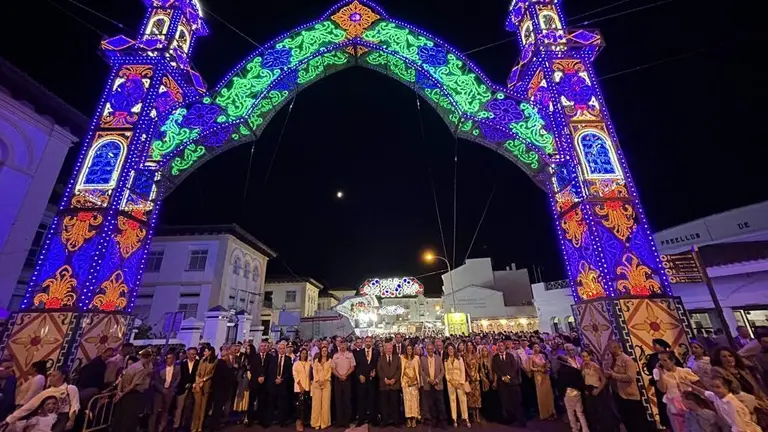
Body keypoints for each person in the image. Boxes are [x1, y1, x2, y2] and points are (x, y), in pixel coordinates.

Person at [4, 369, 79, 432]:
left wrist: (71, 420)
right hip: (49, 418)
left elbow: (75, 405)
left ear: (63, 376)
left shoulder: (70, 388)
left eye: (54, 376)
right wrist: (9, 419)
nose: (50, 378)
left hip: (63, 416)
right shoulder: (46, 392)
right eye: (50, 376)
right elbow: (29, 406)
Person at [605, 340, 651, 432]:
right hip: (618, 394)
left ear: (615, 347)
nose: (608, 349)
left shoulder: (627, 360)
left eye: (609, 347)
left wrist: (613, 375)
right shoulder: (611, 359)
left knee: (636, 421)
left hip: (629, 395)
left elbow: (631, 377)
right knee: (626, 420)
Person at [654, 351, 703, 432]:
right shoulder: (662, 375)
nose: (662, 363)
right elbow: (662, 389)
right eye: (660, 360)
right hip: (674, 407)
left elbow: (699, 385)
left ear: (672, 360)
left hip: (689, 403)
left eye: (665, 360)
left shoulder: (684, 371)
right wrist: (659, 372)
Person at [697, 375, 761, 432]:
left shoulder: (732, 405)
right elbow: (706, 393)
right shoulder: (718, 397)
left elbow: (739, 428)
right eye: (712, 387)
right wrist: (689, 385)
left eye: (718, 387)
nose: (714, 390)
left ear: (726, 388)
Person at [646, 338, 684, 429]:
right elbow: (649, 369)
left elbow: (679, 368)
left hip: (672, 385)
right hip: (660, 385)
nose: (654, 347)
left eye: (655, 345)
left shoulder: (671, 355)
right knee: (664, 406)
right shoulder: (652, 357)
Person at [580, 349, 620, 432]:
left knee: (601, 412)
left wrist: (598, 390)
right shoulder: (583, 365)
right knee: (591, 412)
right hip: (589, 390)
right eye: (583, 356)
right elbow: (584, 378)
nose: (585, 358)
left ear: (590, 356)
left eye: (586, 356)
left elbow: (604, 380)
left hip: (597, 389)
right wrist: (586, 389)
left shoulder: (595, 366)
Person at [112, 349, 151, 432]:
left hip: (125, 395)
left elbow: (121, 380)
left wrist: (119, 393)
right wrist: (121, 394)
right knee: (128, 421)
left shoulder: (133, 366)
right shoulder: (140, 368)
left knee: (120, 419)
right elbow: (133, 385)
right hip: (132, 396)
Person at [492, 339, 526, 427]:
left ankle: (521, 421)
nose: (500, 347)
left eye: (502, 346)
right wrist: (503, 377)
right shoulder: (495, 358)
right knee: (505, 402)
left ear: (504, 347)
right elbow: (495, 369)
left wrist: (508, 377)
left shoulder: (510, 356)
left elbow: (514, 367)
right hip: (502, 383)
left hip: (513, 382)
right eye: (499, 346)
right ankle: (510, 420)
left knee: (517, 402)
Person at [556, 355, 589, 432]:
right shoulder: (575, 370)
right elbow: (581, 382)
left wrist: (562, 394)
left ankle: (575, 429)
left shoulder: (560, 371)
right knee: (580, 412)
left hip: (568, 393)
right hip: (577, 392)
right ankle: (585, 429)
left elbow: (560, 385)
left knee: (571, 413)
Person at [148, 351, 179, 432]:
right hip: (159, 392)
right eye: (168, 358)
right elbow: (155, 381)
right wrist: (162, 389)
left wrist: (172, 389)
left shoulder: (177, 368)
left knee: (165, 411)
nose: (169, 360)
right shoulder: (159, 369)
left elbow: (178, 379)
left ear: (174, 359)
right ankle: (151, 429)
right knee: (154, 412)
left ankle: (161, 428)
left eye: (171, 358)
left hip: (170, 392)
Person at [352, 335, 378, 426]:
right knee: (361, 400)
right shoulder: (359, 353)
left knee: (372, 400)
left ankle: (373, 419)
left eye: (369, 341)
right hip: (362, 381)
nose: (368, 343)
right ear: (364, 342)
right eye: (366, 341)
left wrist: (376, 372)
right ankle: (361, 420)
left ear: (372, 342)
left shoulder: (376, 352)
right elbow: (356, 367)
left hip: (372, 380)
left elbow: (378, 365)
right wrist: (359, 375)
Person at [420, 343, 446, 427]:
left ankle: (442, 421)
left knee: (440, 403)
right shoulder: (423, 359)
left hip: (437, 384)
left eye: (431, 349)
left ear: (434, 349)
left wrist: (437, 380)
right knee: (431, 404)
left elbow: (442, 371)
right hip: (428, 385)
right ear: (426, 350)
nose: (430, 351)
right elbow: (421, 371)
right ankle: (434, 420)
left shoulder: (438, 358)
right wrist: (428, 380)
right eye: (428, 349)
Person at [445, 343, 470, 428]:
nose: (450, 351)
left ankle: (466, 418)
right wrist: (451, 381)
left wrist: (460, 382)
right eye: (449, 350)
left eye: (451, 349)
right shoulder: (446, 360)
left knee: (463, 400)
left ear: (454, 350)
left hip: (460, 382)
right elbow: (446, 373)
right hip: (451, 383)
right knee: (452, 401)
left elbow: (463, 371)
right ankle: (454, 419)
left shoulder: (459, 359)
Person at [191, 346, 216, 432]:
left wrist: (204, 379)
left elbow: (212, 374)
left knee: (203, 407)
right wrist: (197, 380)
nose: (204, 353)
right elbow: (197, 372)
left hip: (206, 386)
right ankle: (194, 426)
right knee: (196, 407)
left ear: (210, 352)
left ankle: (200, 426)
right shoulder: (202, 360)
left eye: (206, 351)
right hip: (199, 385)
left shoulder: (214, 362)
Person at [330, 340, 355, 428]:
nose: (342, 346)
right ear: (339, 346)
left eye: (344, 345)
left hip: (347, 379)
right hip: (338, 380)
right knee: (338, 401)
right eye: (341, 345)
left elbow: (352, 367)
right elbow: (333, 369)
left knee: (347, 401)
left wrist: (345, 375)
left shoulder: (350, 355)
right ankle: (339, 421)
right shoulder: (335, 355)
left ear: (346, 346)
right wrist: (340, 376)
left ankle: (346, 422)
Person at [268, 341, 293, 427]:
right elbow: (271, 371)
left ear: (285, 349)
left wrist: (282, 379)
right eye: (280, 348)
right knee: (272, 402)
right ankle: (272, 419)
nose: (281, 350)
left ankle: (282, 421)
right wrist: (275, 379)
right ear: (278, 349)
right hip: (274, 383)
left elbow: (289, 372)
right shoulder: (273, 358)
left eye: (283, 348)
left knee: (283, 403)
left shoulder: (288, 359)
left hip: (283, 384)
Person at [377, 342, 402, 427]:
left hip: (394, 385)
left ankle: (396, 421)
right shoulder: (380, 358)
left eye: (390, 348)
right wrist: (385, 379)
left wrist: (394, 379)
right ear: (384, 349)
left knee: (395, 404)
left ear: (392, 349)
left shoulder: (397, 358)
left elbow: (399, 370)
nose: (389, 350)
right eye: (387, 348)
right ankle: (385, 421)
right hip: (384, 385)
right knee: (384, 405)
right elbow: (379, 370)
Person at [529, 342, 556, 420]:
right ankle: (544, 414)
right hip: (538, 376)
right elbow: (531, 368)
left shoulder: (543, 356)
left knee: (549, 393)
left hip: (545, 375)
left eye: (537, 347)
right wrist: (539, 369)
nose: (536, 348)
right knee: (541, 394)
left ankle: (551, 412)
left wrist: (547, 368)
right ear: (532, 349)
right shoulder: (531, 357)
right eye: (534, 347)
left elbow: (546, 364)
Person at [174, 347, 199, 430]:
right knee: (179, 407)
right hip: (182, 388)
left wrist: (192, 384)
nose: (194, 356)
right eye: (192, 354)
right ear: (187, 354)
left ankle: (186, 424)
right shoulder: (182, 364)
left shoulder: (198, 363)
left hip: (193, 388)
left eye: (195, 354)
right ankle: (176, 425)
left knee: (189, 407)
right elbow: (179, 376)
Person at [250, 342, 271, 427]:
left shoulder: (270, 357)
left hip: (265, 384)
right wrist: (258, 377)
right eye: (262, 346)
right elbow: (252, 369)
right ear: (259, 347)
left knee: (263, 402)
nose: (263, 348)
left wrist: (264, 377)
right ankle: (250, 419)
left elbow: (270, 369)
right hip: (255, 382)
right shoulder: (254, 357)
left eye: (265, 346)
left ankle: (261, 420)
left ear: (267, 347)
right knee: (251, 402)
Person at [311, 345, 332, 430]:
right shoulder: (316, 361)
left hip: (326, 384)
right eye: (323, 351)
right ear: (320, 352)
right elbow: (314, 371)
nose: (324, 352)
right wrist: (318, 380)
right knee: (316, 404)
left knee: (325, 404)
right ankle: (316, 423)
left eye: (325, 351)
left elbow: (330, 371)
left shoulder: (330, 361)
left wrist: (324, 379)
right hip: (317, 384)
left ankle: (325, 423)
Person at [401, 344, 420, 428]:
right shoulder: (402, 358)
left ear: (412, 350)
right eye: (408, 349)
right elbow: (402, 370)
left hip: (414, 381)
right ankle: (408, 418)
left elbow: (418, 370)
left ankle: (414, 418)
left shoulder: (416, 358)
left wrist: (414, 378)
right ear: (406, 350)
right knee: (407, 401)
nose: (409, 350)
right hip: (406, 382)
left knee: (414, 400)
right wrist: (408, 377)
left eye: (410, 349)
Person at [293, 348, 311, 431]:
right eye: (303, 353)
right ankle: (298, 421)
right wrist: (300, 386)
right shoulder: (296, 363)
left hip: (307, 386)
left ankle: (305, 421)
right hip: (299, 387)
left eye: (305, 353)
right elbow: (295, 375)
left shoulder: (309, 363)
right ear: (300, 354)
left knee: (306, 405)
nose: (304, 355)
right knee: (299, 406)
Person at [464, 341, 482, 424]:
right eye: (468, 345)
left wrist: (475, 375)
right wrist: (470, 376)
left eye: (470, 345)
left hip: (476, 377)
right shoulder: (464, 355)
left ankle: (478, 414)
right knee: (470, 396)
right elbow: (465, 367)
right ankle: (473, 415)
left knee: (477, 396)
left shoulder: (476, 355)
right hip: (469, 378)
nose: (469, 347)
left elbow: (478, 366)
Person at [478, 345, 496, 423]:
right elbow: (479, 371)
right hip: (483, 381)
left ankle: (493, 415)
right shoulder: (479, 360)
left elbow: (495, 371)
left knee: (492, 398)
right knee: (485, 398)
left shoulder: (491, 360)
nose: (484, 352)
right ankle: (486, 415)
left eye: (485, 351)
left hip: (491, 380)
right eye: (483, 351)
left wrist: (495, 381)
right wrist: (484, 379)